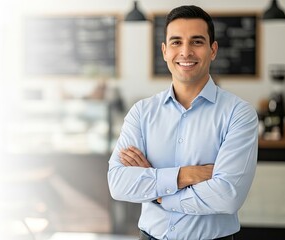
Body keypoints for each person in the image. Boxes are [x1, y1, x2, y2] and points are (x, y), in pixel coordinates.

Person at [107, 5, 258, 240]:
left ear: (213, 50)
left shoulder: (238, 114)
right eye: (176, 42)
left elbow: (227, 196)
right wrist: (185, 175)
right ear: (165, 51)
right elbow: (118, 183)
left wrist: (158, 192)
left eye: (197, 42)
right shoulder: (141, 113)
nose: (185, 52)